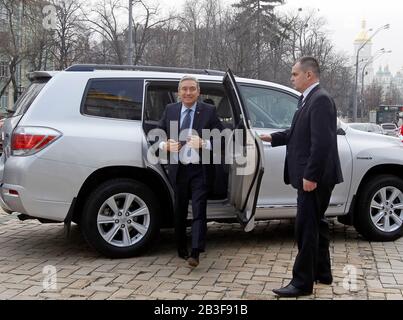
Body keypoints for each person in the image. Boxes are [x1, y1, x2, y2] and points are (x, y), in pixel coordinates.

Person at [260, 57, 343, 297]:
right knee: (316, 224)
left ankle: (301, 283)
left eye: (294, 74)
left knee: (306, 228)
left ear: (309, 75)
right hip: (311, 177)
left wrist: (311, 175)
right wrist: (271, 138)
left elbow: (322, 143)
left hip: (314, 179)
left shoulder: (321, 100)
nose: (291, 78)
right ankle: (322, 273)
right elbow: (296, 133)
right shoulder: (306, 99)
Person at [158, 75, 224, 267]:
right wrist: (164, 144)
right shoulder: (170, 110)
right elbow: (156, 134)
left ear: (198, 92)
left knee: (198, 210)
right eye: (184, 89)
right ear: (179, 92)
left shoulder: (209, 111)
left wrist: (204, 143)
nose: (188, 92)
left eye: (192, 89)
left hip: (200, 171)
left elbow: (223, 139)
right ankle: (181, 248)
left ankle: (196, 251)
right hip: (178, 170)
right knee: (179, 210)